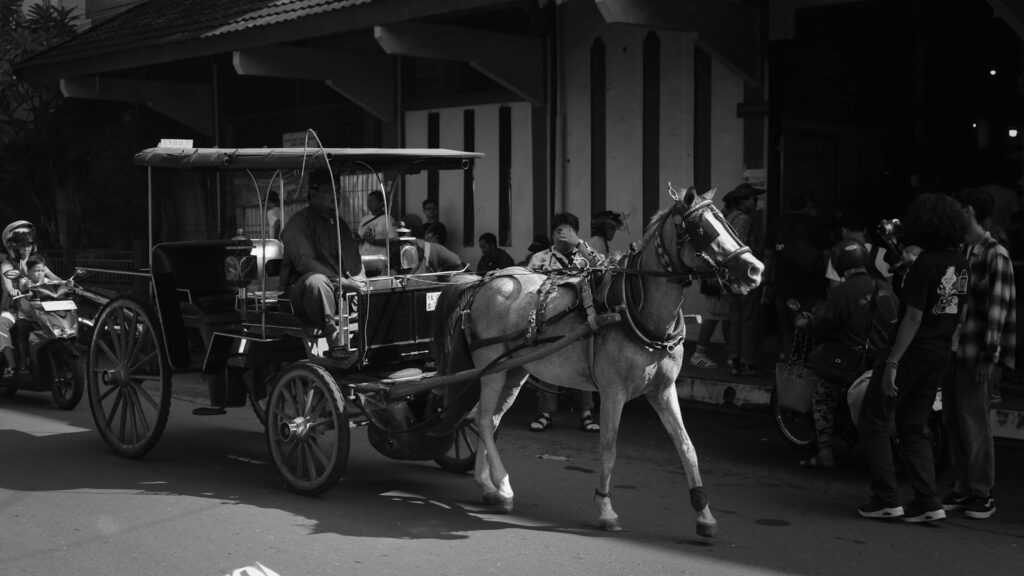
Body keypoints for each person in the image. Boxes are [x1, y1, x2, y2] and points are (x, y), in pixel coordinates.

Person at [857, 192, 968, 524]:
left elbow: (913, 318)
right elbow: (959, 315)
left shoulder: (925, 265)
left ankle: (886, 497)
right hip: (940, 352)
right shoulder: (961, 262)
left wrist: (892, 362)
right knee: (912, 425)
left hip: (911, 351)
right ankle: (928, 501)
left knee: (874, 417)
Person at [942, 188, 1016, 520]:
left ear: (968, 210)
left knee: (974, 422)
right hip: (955, 348)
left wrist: (990, 355)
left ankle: (982, 492)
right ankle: (963, 487)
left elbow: (998, 309)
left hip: (976, 351)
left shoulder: (994, 253)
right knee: (954, 420)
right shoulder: (962, 250)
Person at [796, 239, 898, 468]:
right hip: (883, 362)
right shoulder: (884, 288)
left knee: (822, 398)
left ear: (841, 265)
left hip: (853, 366)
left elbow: (823, 327)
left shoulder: (842, 293)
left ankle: (825, 452)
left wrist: (806, 326)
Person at [526, 212, 605, 433]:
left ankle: (586, 413)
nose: (562, 234)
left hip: (581, 321)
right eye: (558, 230)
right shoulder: (540, 258)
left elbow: (602, 266)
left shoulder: (584, 255)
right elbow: (530, 288)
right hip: (550, 321)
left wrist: (579, 244)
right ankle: (545, 413)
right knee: (549, 363)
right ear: (551, 234)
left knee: (584, 364)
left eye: (568, 230)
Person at [279, 171, 367, 350]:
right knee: (317, 281)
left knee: (383, 286)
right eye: (330, 191)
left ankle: (371, 336)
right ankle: (332, 337)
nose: (336, 195)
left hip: (341, 291)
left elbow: (355, 262)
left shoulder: (339, 223)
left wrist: (359, 282)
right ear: (313, 193)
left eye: (338, 190)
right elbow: (305, 262)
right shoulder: (297, 224)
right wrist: (341, 282)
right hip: (303, 294)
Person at [764, 191, 831, 360]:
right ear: (808, 204)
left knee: (787, 331)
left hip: (783, 286)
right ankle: (808, 373)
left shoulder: (777, 223)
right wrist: (831, 283)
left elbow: (768, 256)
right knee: (811, 330)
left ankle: (790, 371)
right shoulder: (818, 224)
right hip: (812, 288)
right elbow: (827, 256)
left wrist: (765, 283)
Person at [689, 196, 739, 370]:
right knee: (714, 316)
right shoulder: (712, 225)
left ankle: (731, 353)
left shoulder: (716, 222)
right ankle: (698, 354)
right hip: (714, 278)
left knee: (724, 317)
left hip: (715, 277)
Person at [723, 183, 766, 376]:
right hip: (744, 274)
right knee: (748, 319)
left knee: (735, 319)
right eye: (753, 199)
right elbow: (738, 248)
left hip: (729, 275)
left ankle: (733, 359)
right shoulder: (743, 219)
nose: (756, 202)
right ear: (743, 201)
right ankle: (747, 362)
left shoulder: (727, 217)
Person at [824, 211, 892, 291]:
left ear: (843, 231)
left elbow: (835, 290)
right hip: (878, 302)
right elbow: (889, 288)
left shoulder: (838, 254)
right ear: (865, 230)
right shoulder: (883, 252)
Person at [357, 190, 399, 261]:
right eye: (368, 201)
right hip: (363, 256)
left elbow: (394, 241)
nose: (369, 203)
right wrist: (358, 239)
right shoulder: (365, 219)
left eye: (372, 201)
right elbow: (360, 237)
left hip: (379, 258)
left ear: (381, 203)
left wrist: (375, 242)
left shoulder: (388, 219)